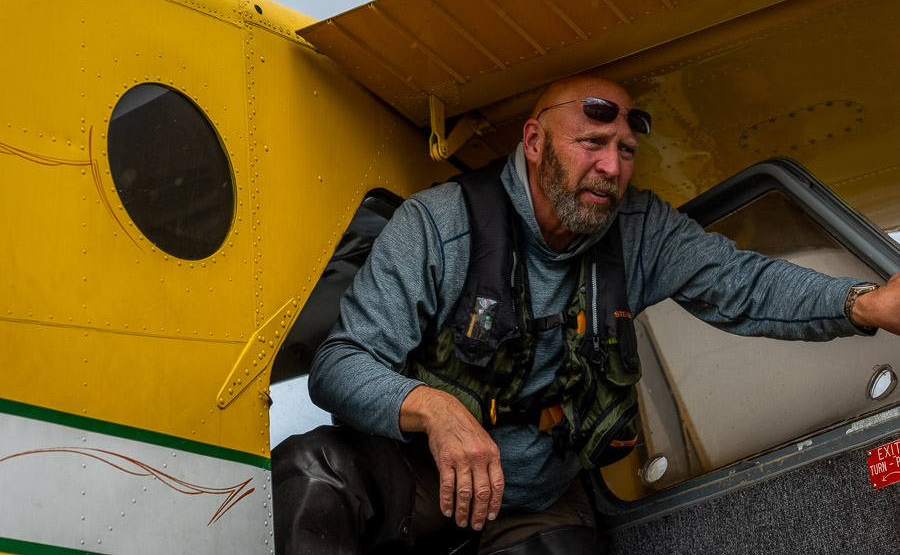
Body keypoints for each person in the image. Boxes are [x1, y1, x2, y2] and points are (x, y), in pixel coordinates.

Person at [273, 74, 900, 554]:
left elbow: (744, 284)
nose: (611, 168)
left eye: (625, 151)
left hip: (534, 497)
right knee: (313, 475)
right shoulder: (436, 227)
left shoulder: (642, 231)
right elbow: (339, 364)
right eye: (593, 144)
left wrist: (862, 303)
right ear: (536, 141)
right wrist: (436, 411)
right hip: (419, 474)